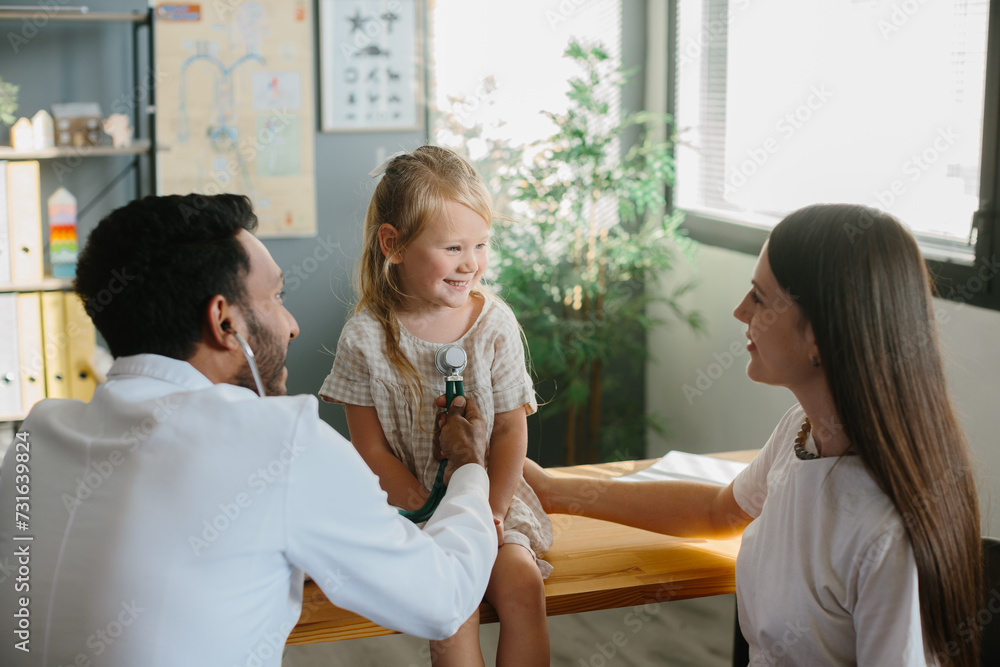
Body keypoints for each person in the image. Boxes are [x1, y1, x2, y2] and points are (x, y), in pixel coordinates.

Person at [0, 193, 499, 667]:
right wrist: (469, 466)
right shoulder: (279, 440)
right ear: (224, 320)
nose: (291, 324)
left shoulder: (40, 434)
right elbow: (444, 597)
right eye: (277, 296)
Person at [524, 204, 983, 666]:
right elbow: (717, 511)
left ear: (819, 336)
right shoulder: (800, 434)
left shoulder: (883, 533)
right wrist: (549, 489)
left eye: (760, 299)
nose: (740, 310)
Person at [319, 146, 552, 667]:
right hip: (413, 507)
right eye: (452, 248)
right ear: (393, 245)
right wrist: (427, 511)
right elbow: (370, 447)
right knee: (453, 609)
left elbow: (512, 430)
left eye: (481, 245)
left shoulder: (493, 326)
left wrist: (488, 512)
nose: (471, 263)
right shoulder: (365, 337)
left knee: (522, 586)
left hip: (492, 501)